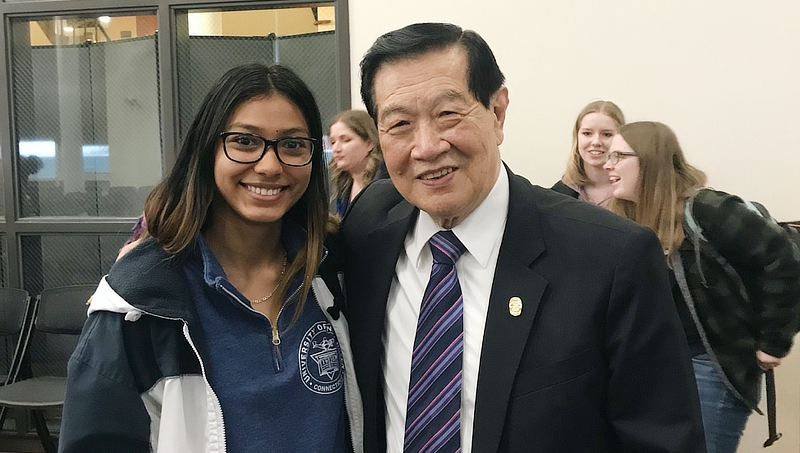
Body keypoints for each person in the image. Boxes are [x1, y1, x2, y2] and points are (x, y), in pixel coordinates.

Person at [340, 22, 705, 453]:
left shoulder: (611, 258)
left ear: (497, 112)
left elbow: (664, 440)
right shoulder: (368, 229)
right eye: (399, 123)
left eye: (448, 114)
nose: (426, 146)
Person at [59, 63, 363, 453]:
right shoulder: (138, 304)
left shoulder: (331, 268)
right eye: (244, 141)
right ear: (207, 150)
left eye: (292, 144)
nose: (270, 166)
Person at [604, 121, 800, 453]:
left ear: (650, 160)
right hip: (661, 368)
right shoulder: (630, 220)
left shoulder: (708, 209)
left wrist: (774, 341)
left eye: (619, 156)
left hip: (710, 367)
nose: (607, 165)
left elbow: (785, 262)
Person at [551, 100, 625, 207]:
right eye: (587, 133)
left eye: (607, 134)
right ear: (577, 137)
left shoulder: (636, 195)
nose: (596, 142)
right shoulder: (558, 194)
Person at [329, 109, 387, 217]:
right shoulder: (343, 183)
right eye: (333, 142)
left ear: (370, 143)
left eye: (346, 140)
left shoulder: (385, 180)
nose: (336, 148)